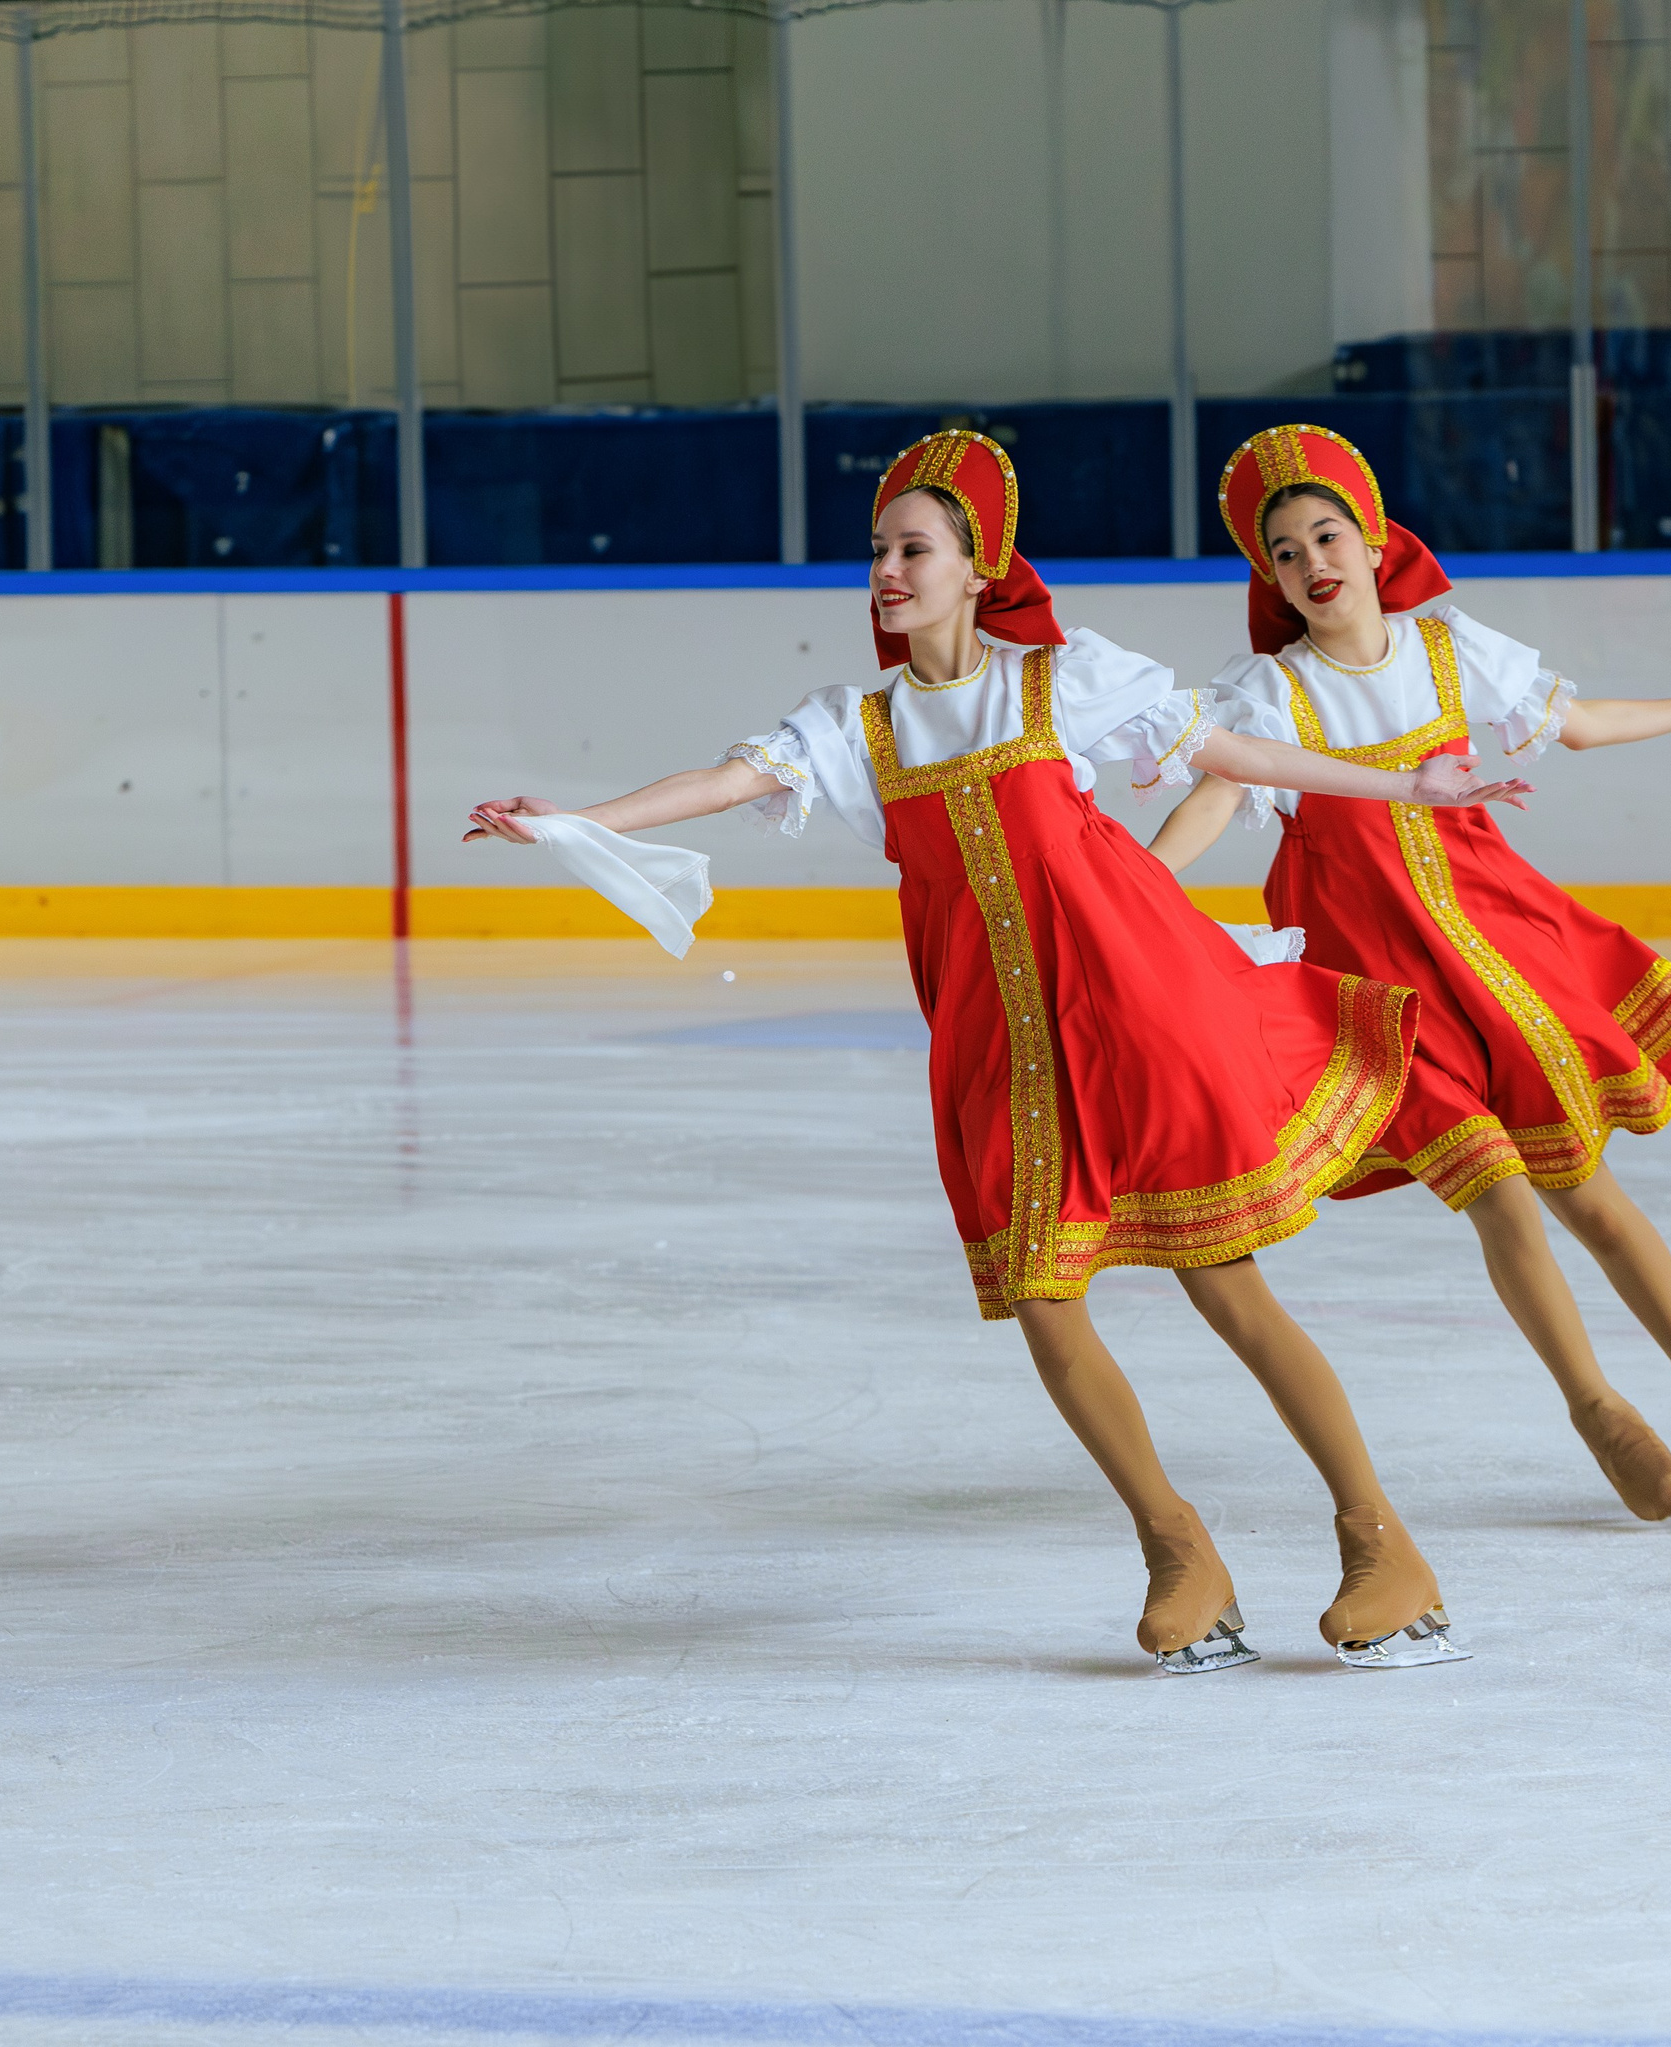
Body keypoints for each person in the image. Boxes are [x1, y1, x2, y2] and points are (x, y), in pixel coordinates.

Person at [467, 429, 1528, 1669]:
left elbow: (1220, 751)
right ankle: (1176, 1547)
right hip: (997, 1050)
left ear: (980, 568)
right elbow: (714, 781)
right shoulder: (854, 725)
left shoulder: (1061, 682)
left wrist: (1401, 789)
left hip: (1138, 1018)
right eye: (877, 550)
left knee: (1226, 1285)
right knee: (1042, 1296)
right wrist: (571, 823)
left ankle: (1379, 1543)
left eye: (914, 548)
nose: (887, 569)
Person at [1149, 423, 1671, 1522]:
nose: (1312, 562)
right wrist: (1131, 888)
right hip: (1383, 996)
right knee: (1497, 1192)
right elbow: (1213, 796)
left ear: (1370, 538)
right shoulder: (1268, 697)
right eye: (1283, 551)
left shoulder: (1449, 650)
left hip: (1495, 953)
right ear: (1268, 577)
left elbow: (1579, 727)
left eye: (1326, 534)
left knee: (1583, 1186)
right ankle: (1598, 1408)